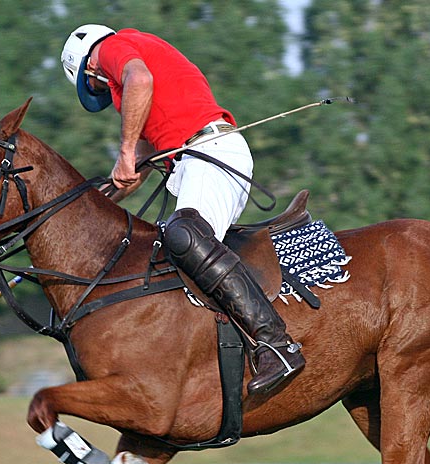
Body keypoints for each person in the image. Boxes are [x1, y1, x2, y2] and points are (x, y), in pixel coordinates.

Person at [60, 24, 305, 397]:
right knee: (165, 252)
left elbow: (139, 80)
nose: (103, 93)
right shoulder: (140, 57)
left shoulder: (112, 49)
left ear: (87, 68)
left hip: (209, 151)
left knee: (184, 235)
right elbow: (135, 168)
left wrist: (125, 153)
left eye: (94, 87)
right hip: (197, 159)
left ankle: (276, 344)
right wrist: (88, 209)